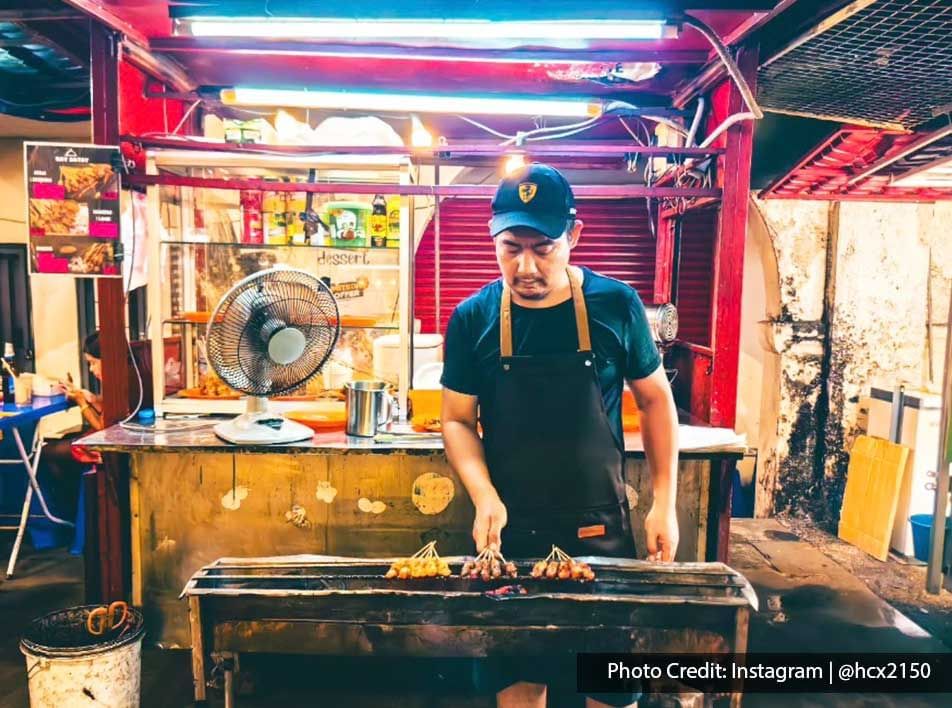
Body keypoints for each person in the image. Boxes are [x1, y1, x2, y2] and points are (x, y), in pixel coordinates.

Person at [440, 164, 680, 708]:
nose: (525, 266)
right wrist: (483, 497)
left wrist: (664, 503)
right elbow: (455, 419)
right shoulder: (472, 316)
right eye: (510, 248)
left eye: (543, 247)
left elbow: (655, 400)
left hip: (599, 529)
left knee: (606, 687)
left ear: (573, 235)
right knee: (517, 684)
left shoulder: (615, 306)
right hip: (506, 533)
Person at [41, 331, 105, 520]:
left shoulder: (115, 380)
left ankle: (69, 515)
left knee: (44, 453)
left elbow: (103, 427)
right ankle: (72, 514)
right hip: (99, 438)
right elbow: (103, 404)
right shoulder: (120, 375)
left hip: (103, 447)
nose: (92, 370)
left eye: (93, 363)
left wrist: (81, 401)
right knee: (56, 448)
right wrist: (86, 395)